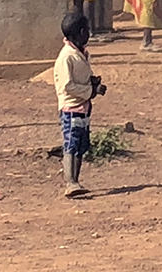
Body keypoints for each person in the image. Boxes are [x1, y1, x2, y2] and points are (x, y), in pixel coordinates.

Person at [55, 13, 106, 197]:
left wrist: (92, 82)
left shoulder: (80, 54)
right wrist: (91, 91)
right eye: (87, 31)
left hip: (82, 107)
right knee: (71, 143)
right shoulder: (66, 57)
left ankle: (75, 180)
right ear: (81, 33)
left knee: (80, 145)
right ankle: (70, 182)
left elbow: (79, 78)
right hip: (71, 108)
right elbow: (67, 86)